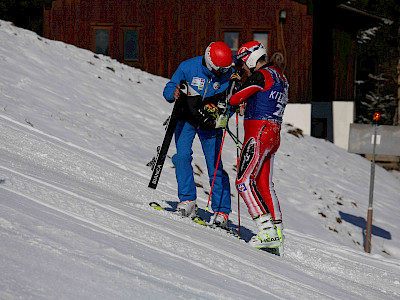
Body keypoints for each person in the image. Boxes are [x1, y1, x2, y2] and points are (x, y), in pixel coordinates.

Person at [163, 41, 233, 228]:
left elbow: (233, 100)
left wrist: (224, 115)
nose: (222, 72)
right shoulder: (188, 67)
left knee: (215, 166)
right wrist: (174, 93)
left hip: (211, 125)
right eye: (219, 69)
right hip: (186, 119)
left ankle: (221, 211)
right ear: (209, 62)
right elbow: (169, 88)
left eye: (225, 69)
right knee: (182, 157)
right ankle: (187, 200)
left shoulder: (229, 74)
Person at [229, 41, 289, 249]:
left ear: (251, 58)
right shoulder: (280, 76)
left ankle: (266, 230)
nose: (243, 68)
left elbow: (234, 99)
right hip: (273, 133)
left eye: (243, 63)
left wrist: (235, 82)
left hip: (259, 132)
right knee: (264, 184)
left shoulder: (261, 74)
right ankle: (277, 231)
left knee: (243, 181)